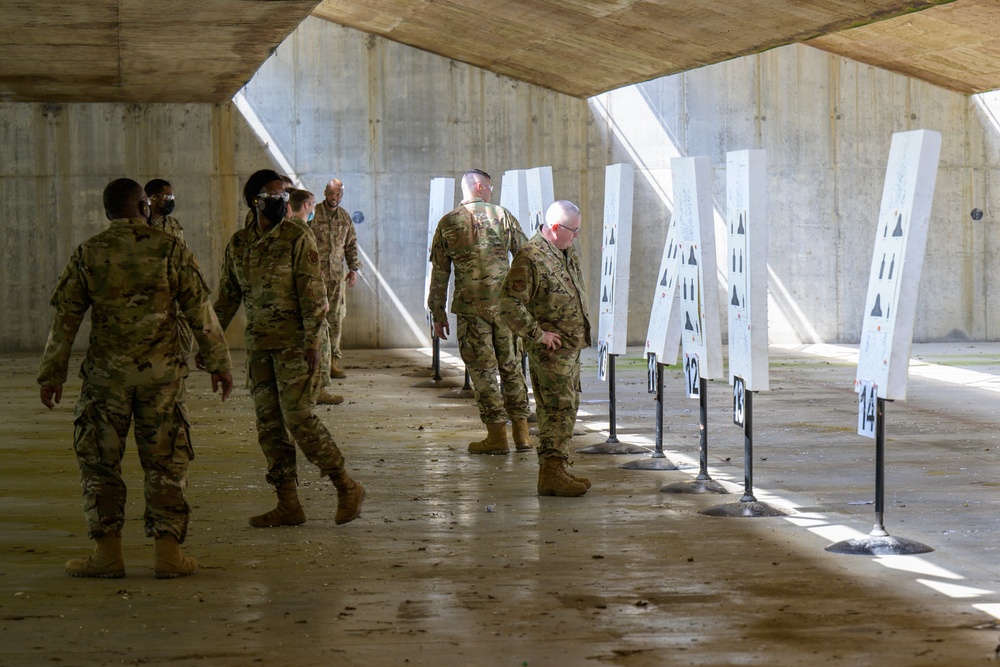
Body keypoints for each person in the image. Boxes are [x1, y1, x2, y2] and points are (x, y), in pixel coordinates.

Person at [37, 178, 234, 578]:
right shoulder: (169, 248)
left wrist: (52, 373)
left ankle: (108, 555)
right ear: (144, 206)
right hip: (162, 379)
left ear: (108, 211)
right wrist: (219, 362)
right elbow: (200, 311)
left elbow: (66, 319)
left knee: (100, 465)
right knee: (166, 465)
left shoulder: (89, 252)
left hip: (106, 380)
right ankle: (168, 556)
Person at [212, 169, 365, 528]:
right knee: (269, 427)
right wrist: (210, 341)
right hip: (260, 349)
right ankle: (288, 503)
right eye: (273, 196)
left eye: (284, 195)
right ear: (255, 200)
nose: (282, 201)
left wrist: (313, 339)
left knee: (299, 418)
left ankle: (346, 486)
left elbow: (315, 294)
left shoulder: (297, 236)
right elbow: (227, 298)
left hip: (296, 346)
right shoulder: (239, 244)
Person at [428, 169, 531, 455]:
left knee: (483, 372)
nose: (491, 192)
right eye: (489, 187)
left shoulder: (448, 222)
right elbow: (526, 257)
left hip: (472, 311)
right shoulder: (503, 216)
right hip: (506, 309)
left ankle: (497, 437)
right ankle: (522, 435)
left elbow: (439, 273)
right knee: (512, 368)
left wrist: (437, 314)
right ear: (478, 186)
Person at [499, 200, 592, 496]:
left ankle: (559, 465)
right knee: (555, 409)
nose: (576, 237)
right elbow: (508, 303)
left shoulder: (564, 250)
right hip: (551, 352)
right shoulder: (530, 257)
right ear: (555, 228)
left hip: (570, 347)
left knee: (567, 407)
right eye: (573, 231)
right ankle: (550, 474)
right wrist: (537, 334)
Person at [288, 188, 344, 406]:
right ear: (306, 206)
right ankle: (317, 389)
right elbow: (311, 273)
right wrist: (321, 300)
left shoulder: (285, 230)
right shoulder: (301, 231)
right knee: (318, 342)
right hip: (310, 296)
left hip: (319, 286)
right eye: (311, 204)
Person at [310, 179, 361, 379]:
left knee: (336, 319)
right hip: (316, 278)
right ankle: (315, 362)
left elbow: (351, 245)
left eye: (338, 194)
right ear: (325, 192)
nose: (335, 197)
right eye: (332, 193)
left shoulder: (345, 218)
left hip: (336, 278)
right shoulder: (313, 215)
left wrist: (353, 269)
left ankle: (332, 361)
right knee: (316, 318)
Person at [144, 178, 193, 362]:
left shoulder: (173, 224)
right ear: (152, 198)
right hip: (153, 296)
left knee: (183, 344)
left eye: (172, 196)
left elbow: (185, 253)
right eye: (166, 197)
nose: (170, 200)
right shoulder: (141, 226)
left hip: (178, 292)